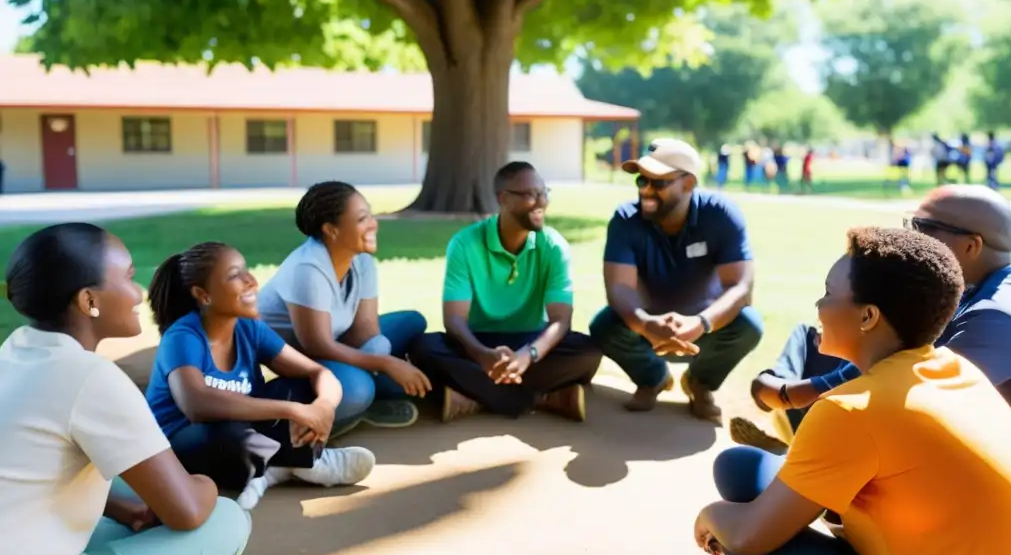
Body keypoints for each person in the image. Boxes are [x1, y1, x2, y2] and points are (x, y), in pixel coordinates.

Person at [696, 227, 1011, 555]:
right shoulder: (956, 369)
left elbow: (750, 536)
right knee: (739, 468)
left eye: (829, 294)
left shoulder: (850, 409)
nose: (818, 304)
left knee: (741, 525)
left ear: (868, 316)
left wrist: (710, 515)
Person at [0, 223, 251, 555]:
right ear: (88, 300)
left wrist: (121, 509)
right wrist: (203, 483)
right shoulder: (89, 377)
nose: (139, 294)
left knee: (118, 485)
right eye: (130, 277)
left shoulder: (12, 353)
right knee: (224, 519)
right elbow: (185, 510)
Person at [733, 183, 1011, 452]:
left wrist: (794, 394)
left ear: (971, 246)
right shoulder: (977, 287)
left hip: (953, 464)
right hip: (927, 434)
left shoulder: (995, 317)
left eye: (923, 226)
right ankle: (794, 438)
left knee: (737, 470)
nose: (911, 236)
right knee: (809, 339)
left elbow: (904, 386)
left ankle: (792, 454)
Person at [146, 242, 376, 511]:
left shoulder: (249, 328)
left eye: (246, 270)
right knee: (229, 435)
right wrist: (293, 411)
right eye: (234, 275)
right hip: (184, 442)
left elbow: (318, 371)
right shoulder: (183, 336)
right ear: (203, 294)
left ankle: (272, 470)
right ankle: (305, 463)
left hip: (245, 431)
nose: (251, 281)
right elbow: (197, 405)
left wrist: (322, 406)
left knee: (302, 388)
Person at [410, 162, 602, 422]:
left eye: (543, 192)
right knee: (424, 347)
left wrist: (527, 355)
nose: (540, 202)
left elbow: (560, 320)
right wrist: (481, 355)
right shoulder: (465, 244)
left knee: (589, 351)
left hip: (531, 342)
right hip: (477, 342)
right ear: (503, 198)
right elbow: (454, 319)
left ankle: (474, 397)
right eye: (530, 195)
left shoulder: (554, 246)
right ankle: (543, 398)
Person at [589, 138, 763, 422]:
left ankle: (700, 383)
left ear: (689, 184)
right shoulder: (625, 219)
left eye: (658, 183)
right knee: (604, 326)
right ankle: (653, 377)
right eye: (641, 180)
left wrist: (701, 322)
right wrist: (646, 323)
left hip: (706, 327)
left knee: (749, 325)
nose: (646, 190)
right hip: (645, 326)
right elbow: (619, 288)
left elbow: (741, 287)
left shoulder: (720, 215)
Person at [258, 181, 430, 432]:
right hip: (299, 359)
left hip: (335, 344)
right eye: (362, 219)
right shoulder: (308, 268)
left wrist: (378, 353)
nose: (374, 224)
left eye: (371, 215)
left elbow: (365, 330)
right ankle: (351, 409)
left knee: (413, 322)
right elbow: (317, 346)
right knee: (359, 390)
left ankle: (367, 400)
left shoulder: (362, 261)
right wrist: (385, 364)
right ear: (332, 230)